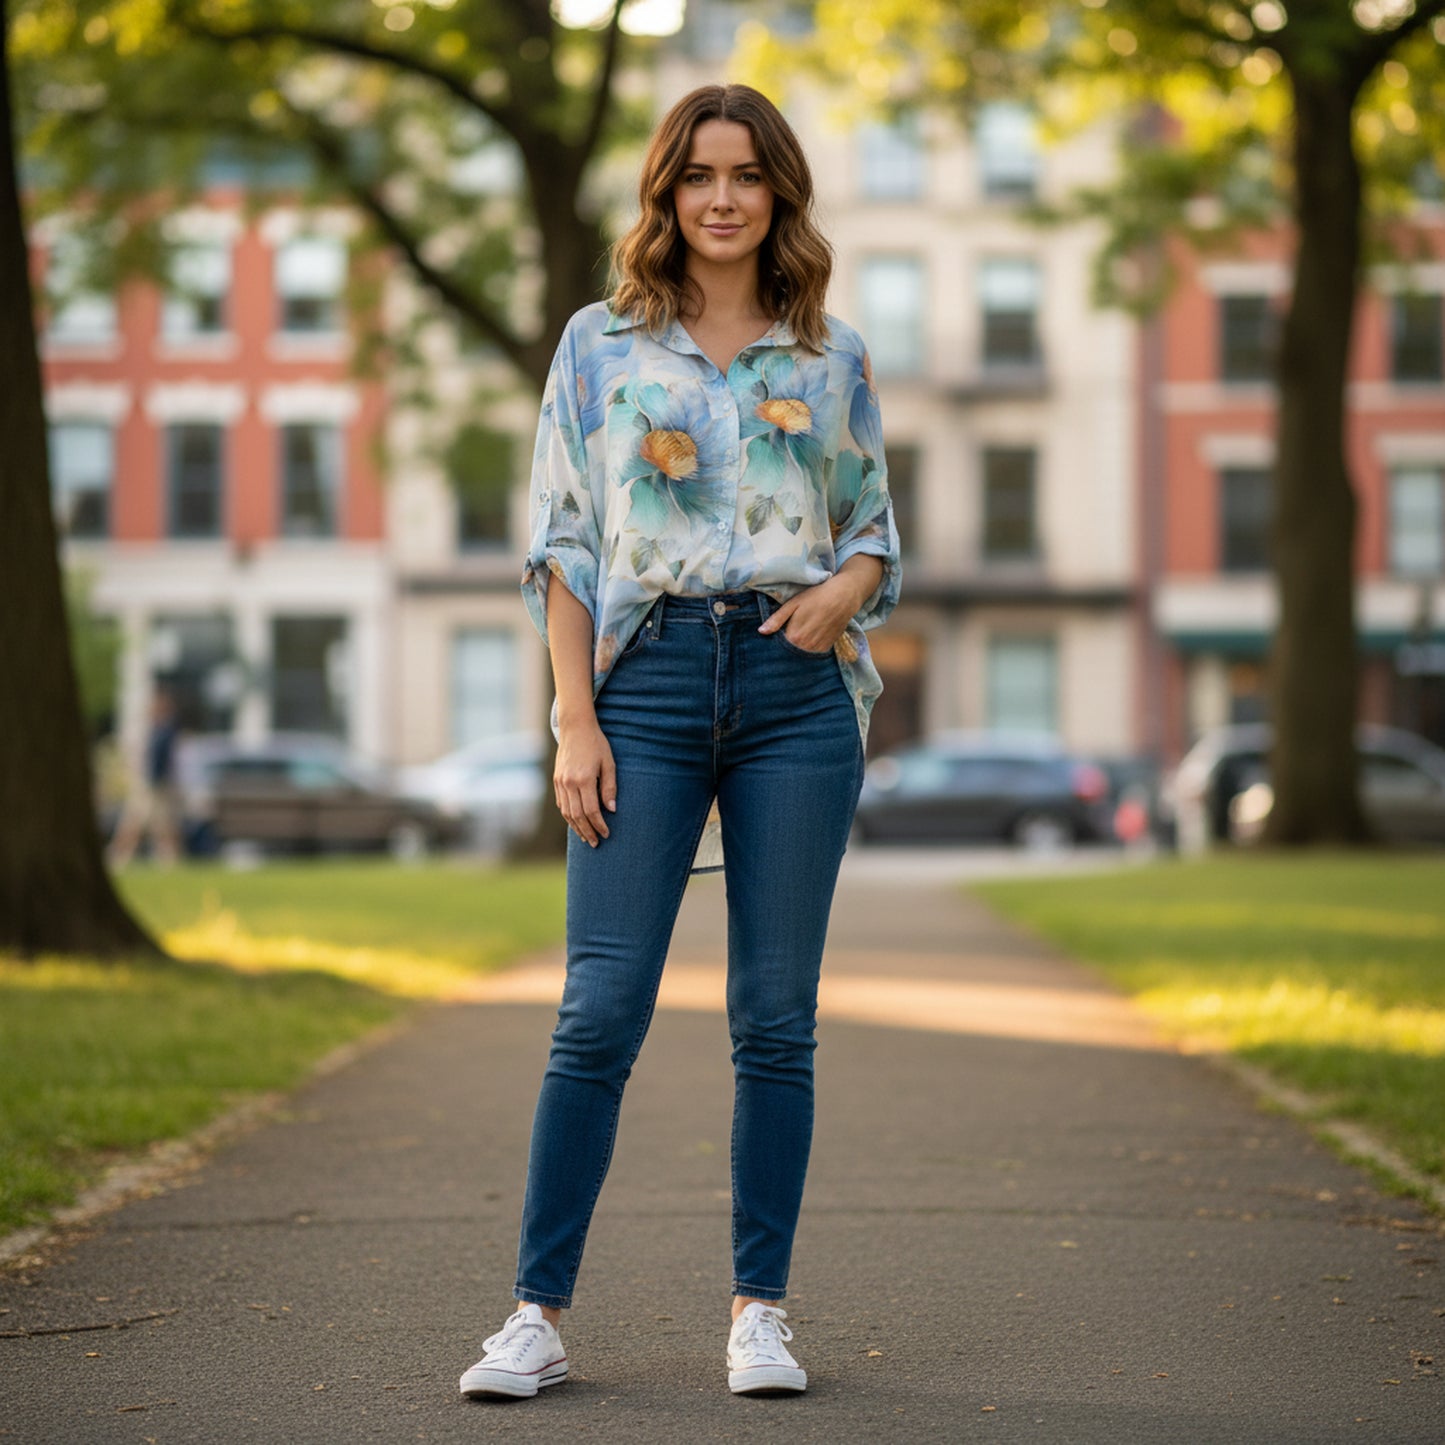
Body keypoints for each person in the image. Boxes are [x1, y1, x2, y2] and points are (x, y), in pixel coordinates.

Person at [460, 82, 901, 1403]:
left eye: (746, 174)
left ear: (778, 194)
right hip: (641, 685)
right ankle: (535, 1314)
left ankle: (760, 1311)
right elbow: (563, 542)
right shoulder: (598, 344)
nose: (721, 197)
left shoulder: (830, 355)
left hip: (792, 691)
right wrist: (573, 717)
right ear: (666, 191)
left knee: (774, 1018)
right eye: (698, 174)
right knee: (598, 1009)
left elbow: (872, 526)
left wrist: (841, 591)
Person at [106, 688, 182, 867]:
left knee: (155, 824)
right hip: (149, 785)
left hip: (155, 786)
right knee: (144, 823)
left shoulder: (164, 732)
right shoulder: (157, 731)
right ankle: (122, 855)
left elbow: (160, 762)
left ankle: (165, 857)